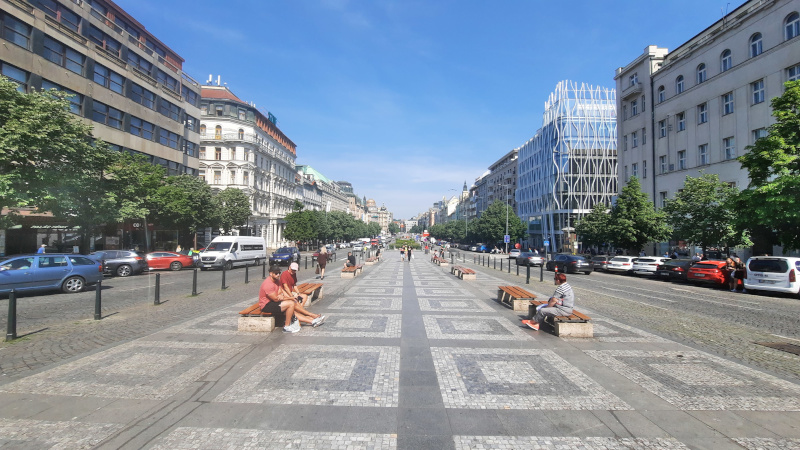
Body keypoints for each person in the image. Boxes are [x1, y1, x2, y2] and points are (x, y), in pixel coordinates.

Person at [260, 265, 324, 333]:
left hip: (273, 302)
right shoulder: (268, 284)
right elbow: (276, 299)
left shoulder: (276, 280)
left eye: (279, 273)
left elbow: (281, 291)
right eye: (276, 273)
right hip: (267, 305)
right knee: (290, 304)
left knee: (292, 305)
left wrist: (287, 297)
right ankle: (286, 327)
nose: (278, 275)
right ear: (271, 273)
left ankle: (313, 320)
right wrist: (288, 297)